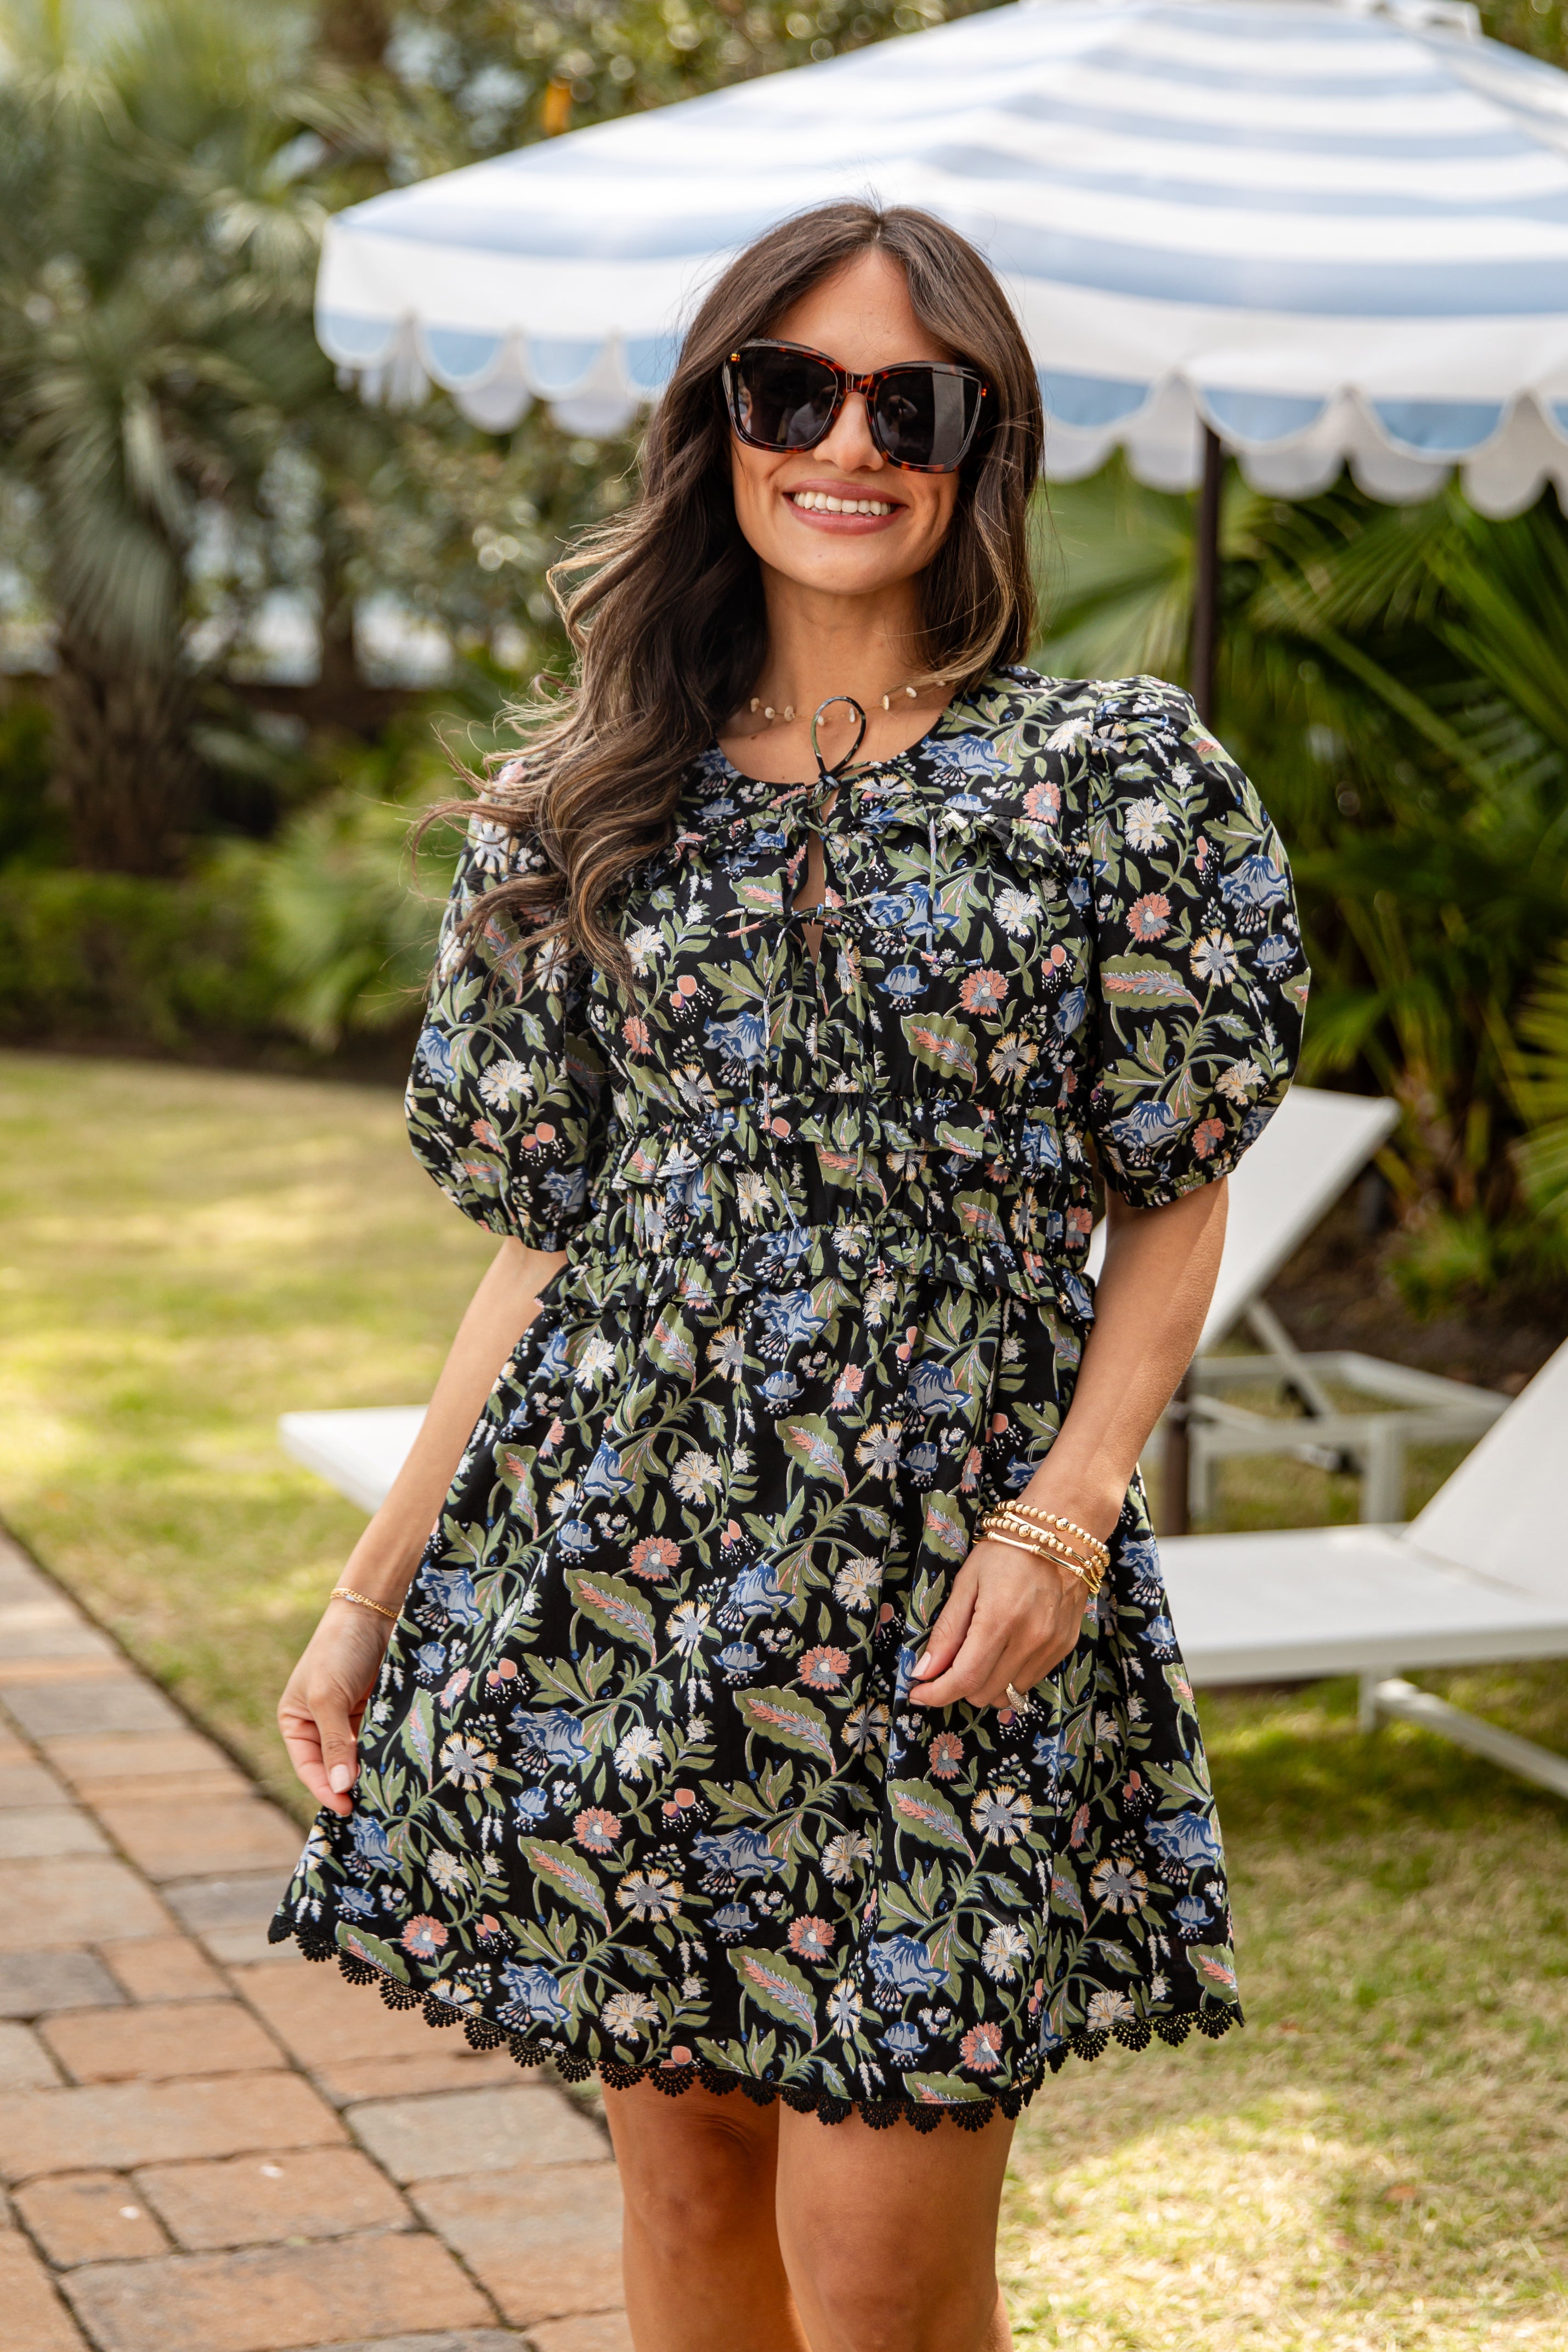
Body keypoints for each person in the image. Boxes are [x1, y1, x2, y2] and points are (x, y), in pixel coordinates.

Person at [273, 200, 1309, 2352]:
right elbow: (545, 1242)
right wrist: (373, 1593)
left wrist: (1069, 1509)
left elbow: (1173, 1182)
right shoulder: (584, 809)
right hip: (617, 1590)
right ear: (718, 425)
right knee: (686, 2217)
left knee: (884, 2281)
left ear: (976, 444)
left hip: (944, 1606)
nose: (848, 440)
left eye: (906, 398)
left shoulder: (1110, 781)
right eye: (792, 389)